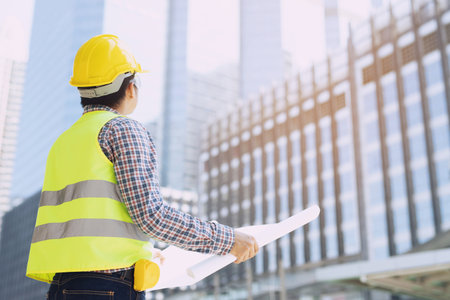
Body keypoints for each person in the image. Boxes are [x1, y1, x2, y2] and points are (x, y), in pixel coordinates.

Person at [26, 34, 259, 299]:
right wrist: (228, 240)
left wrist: (140, 250)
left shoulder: (64, 141)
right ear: (129, 88)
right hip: (108, 288)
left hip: (62, 287)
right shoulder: (121, 129)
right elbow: (151, 216)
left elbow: (89, 224)